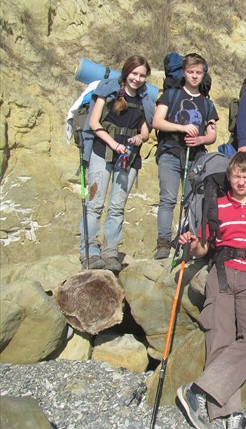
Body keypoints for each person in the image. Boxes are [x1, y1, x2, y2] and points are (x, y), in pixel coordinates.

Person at [176, 152, 246, 429]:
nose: (241, 180)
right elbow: (204, 248)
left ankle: (196, 390)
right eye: (236, 175)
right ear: (229, 176)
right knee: (220, 339)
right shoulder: (217, 206)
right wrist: (192, 243)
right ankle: (231, 414)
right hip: (221, 275)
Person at [80, 55, 154, 272]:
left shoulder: (144, 99)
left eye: (142, 75)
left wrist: (140, 138)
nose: (137, 79)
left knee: (117, 207)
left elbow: (146, 131)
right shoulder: (108, 90)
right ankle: (90, 251)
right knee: (95, 204)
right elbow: (94, 123)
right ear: (126, 72)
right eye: (134, 74)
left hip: (128, 158)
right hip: (102, 152)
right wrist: (114, 144)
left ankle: (111, 252)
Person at [152, 53, 219, 260]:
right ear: (184, 72)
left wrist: (200, 140)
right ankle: (163, 243)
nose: (195, 76)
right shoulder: (170, 96)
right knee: (168, 198)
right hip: (171, 152)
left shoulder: (207, 104)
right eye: (191, 72)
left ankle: (187, 242)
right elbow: (157, 121)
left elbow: (212, 134)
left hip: (196, 157)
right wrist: (182, 128)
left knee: (192, 201)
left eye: (199, 72)